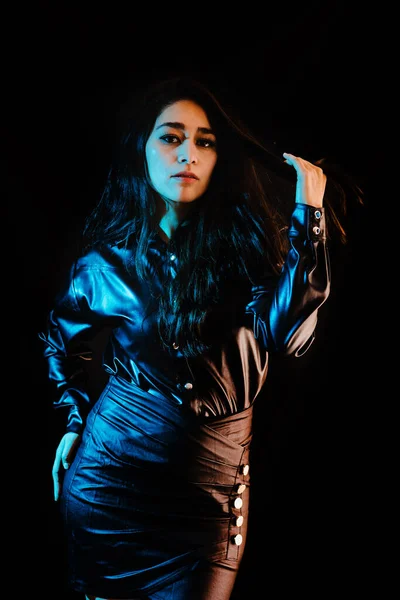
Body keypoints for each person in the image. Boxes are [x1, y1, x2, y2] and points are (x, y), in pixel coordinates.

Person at [39, 75, 359, 600]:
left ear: (218, 158)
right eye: (170, 137)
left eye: (204, 141)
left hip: (207, 508)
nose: (187, 152)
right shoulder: (104, 266)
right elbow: (60, 340)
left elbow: (285, 333)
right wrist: (74, 418)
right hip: (106, 490)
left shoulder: (253, 258)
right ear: (142, 151)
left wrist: (310, 215)